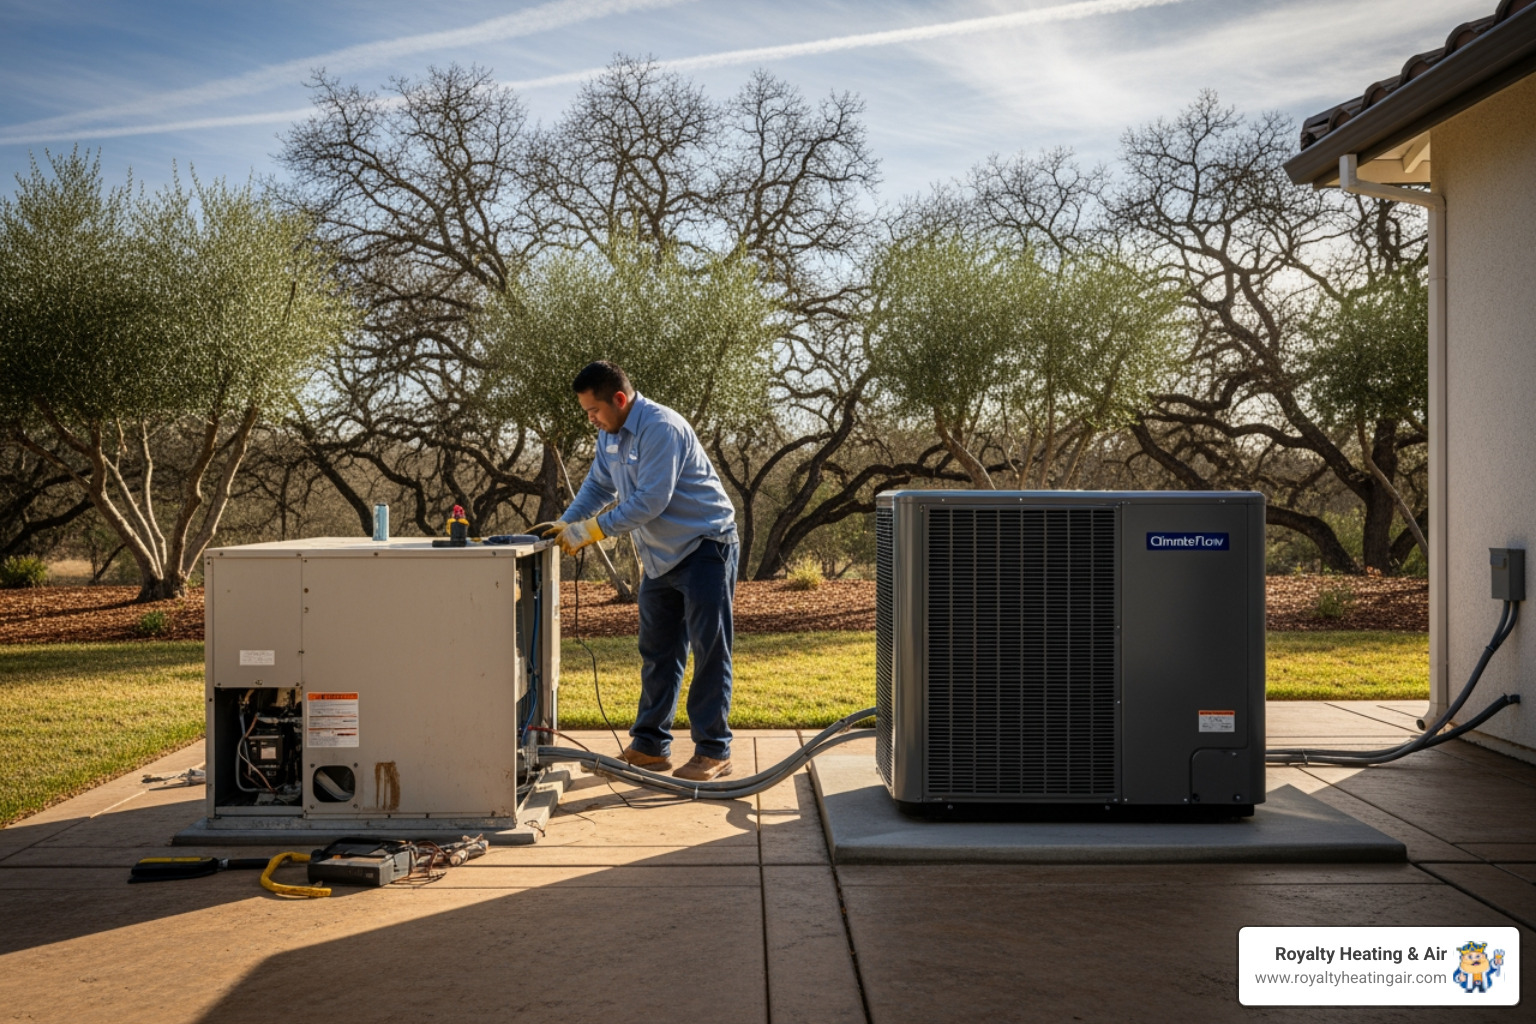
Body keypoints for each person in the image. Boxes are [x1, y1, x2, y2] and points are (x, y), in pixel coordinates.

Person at [541, 361, 740, 781]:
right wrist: (568, 523)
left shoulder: (660, 428)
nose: (590, 419)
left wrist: (591, 530)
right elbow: (598, 486)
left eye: (594, 410)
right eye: (586, 413)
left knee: (709, 649)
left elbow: (652, 501)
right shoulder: (609, 435)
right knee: (657, 651)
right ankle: (650, 745)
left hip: (706, 545)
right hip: (659, 556)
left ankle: (714, 750)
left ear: (619, 398)